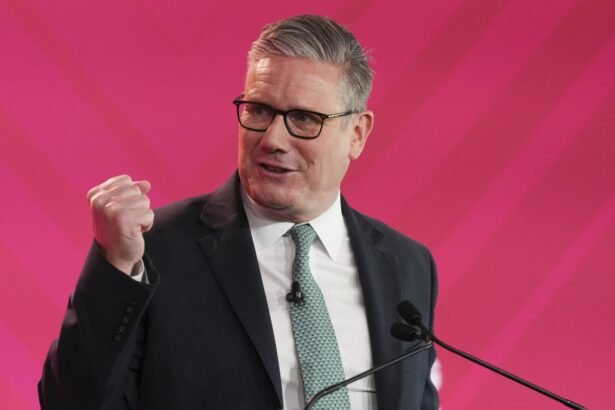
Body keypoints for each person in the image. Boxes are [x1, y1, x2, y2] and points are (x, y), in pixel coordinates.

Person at [38, 14, 439, 410]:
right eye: (259, 110)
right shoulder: (153, 252)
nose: (273, 139)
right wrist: (115, 270)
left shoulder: (407, 265)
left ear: (357, 133)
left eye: (304, 118)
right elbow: (71, 404)